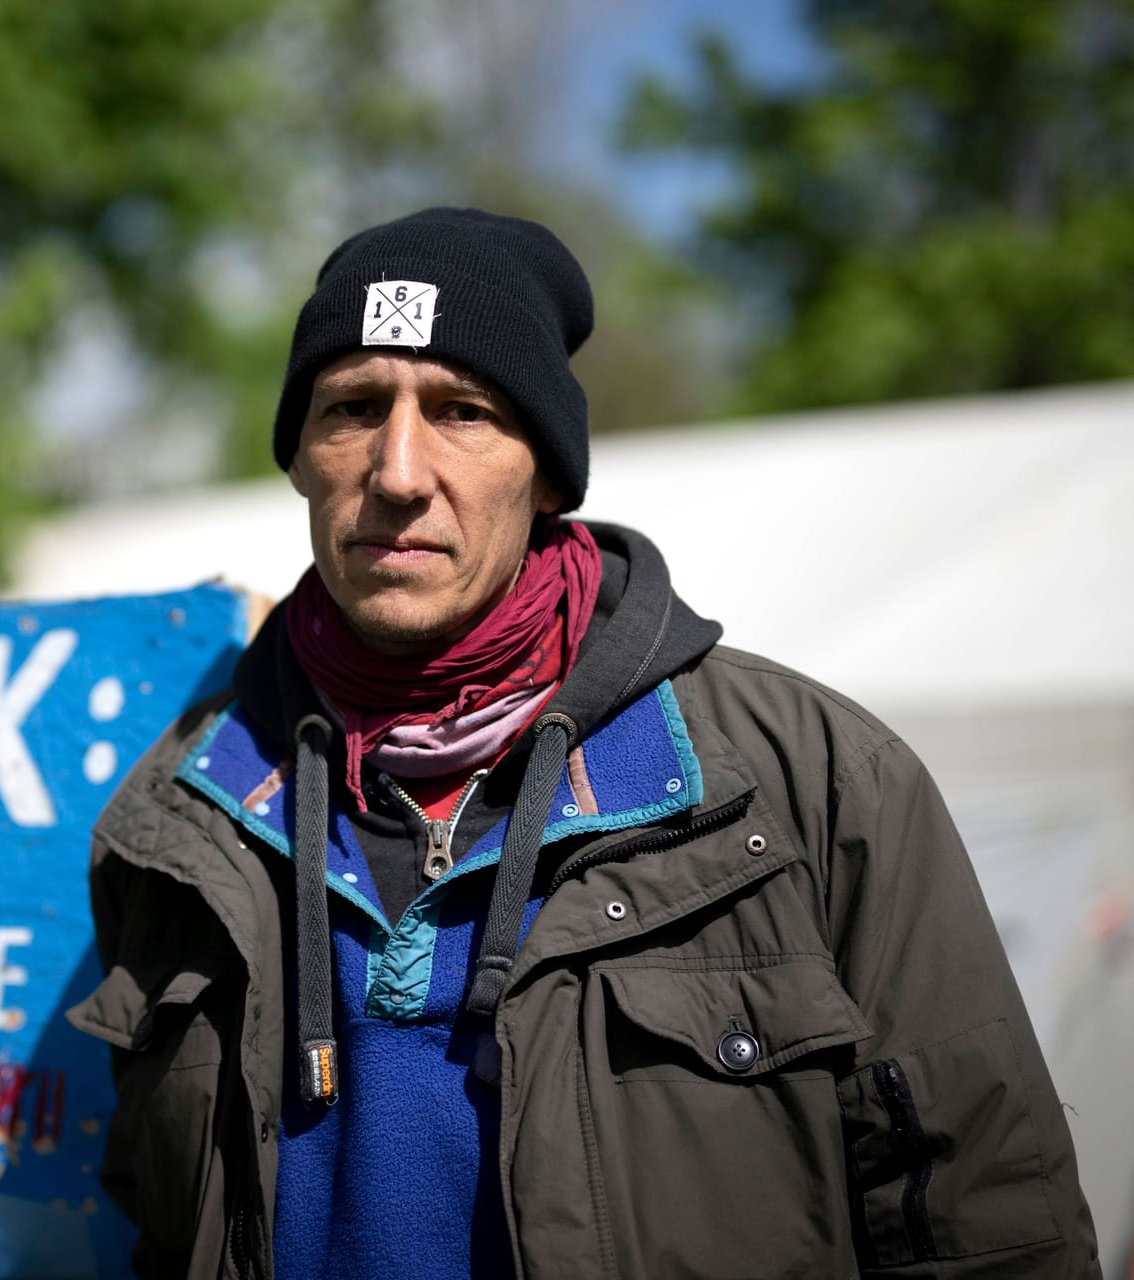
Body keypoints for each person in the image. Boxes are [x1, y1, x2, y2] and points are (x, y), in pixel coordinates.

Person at [65, 207, 1100, 1279]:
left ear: (548, 472)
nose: (400, 470)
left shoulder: (814, 786)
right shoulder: (181, 815)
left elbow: (993, 1227)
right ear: (299, 460)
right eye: (352, 408)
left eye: (463, 409)